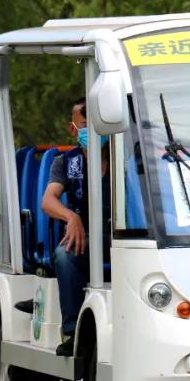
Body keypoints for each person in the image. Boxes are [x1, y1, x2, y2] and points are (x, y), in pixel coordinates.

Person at [41, 97, 110, 356]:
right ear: (73, 129)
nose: (92, 131)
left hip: (127, 238)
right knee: (64, 253)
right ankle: (72, 332)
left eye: (99, 125)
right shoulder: (65, 163)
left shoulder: (125, 160)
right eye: (85, 125)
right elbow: (48, 201)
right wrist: (71, 217)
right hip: (88, 239)